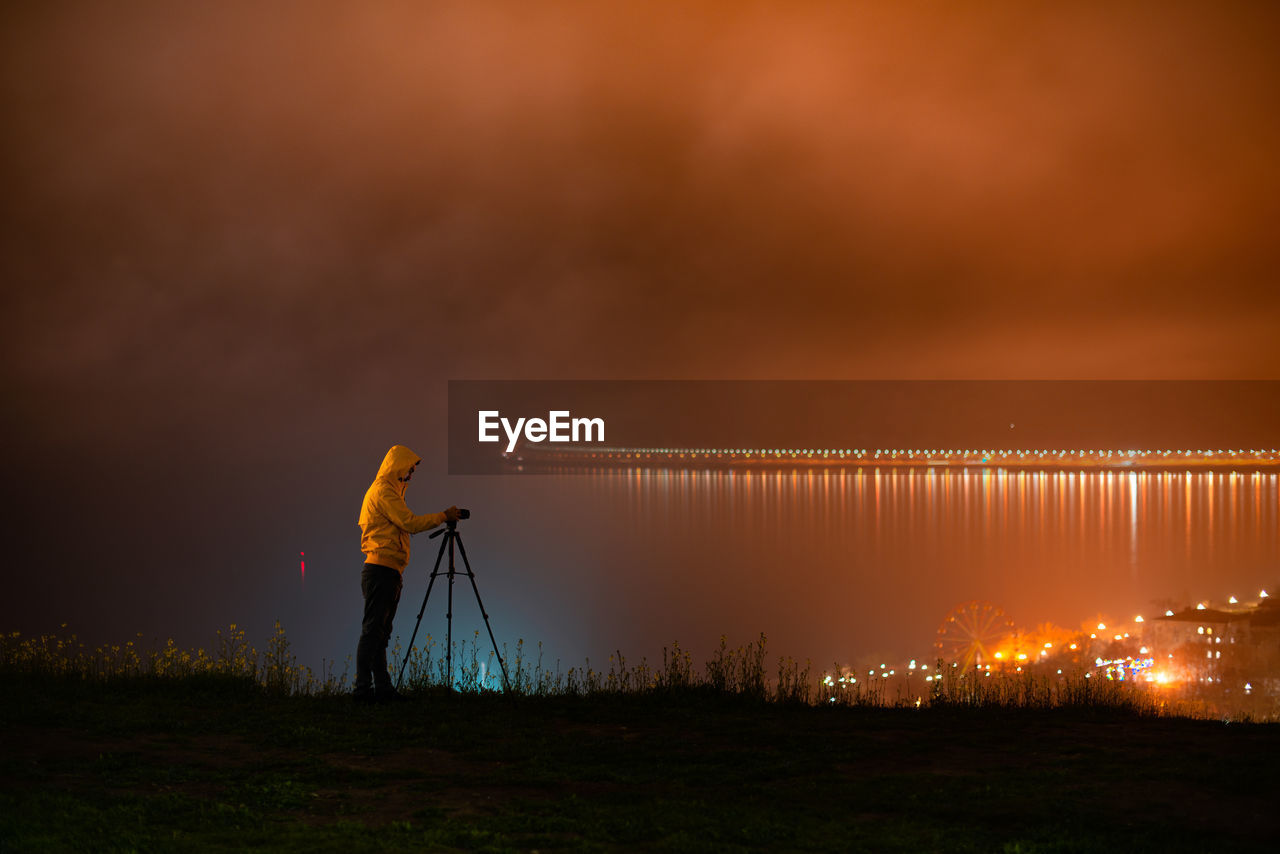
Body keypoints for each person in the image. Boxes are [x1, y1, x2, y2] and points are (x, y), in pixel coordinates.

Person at [354, 444, 458, 703]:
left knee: (380, 634)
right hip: (380, 570)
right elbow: (409, 523)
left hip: (389, 570)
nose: (410, 476)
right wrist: (443, 516)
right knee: (372, 632)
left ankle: (382, 690)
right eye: (408, 470)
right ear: (397, 467)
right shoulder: (384, 492)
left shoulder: (390, 492)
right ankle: (362, 691)